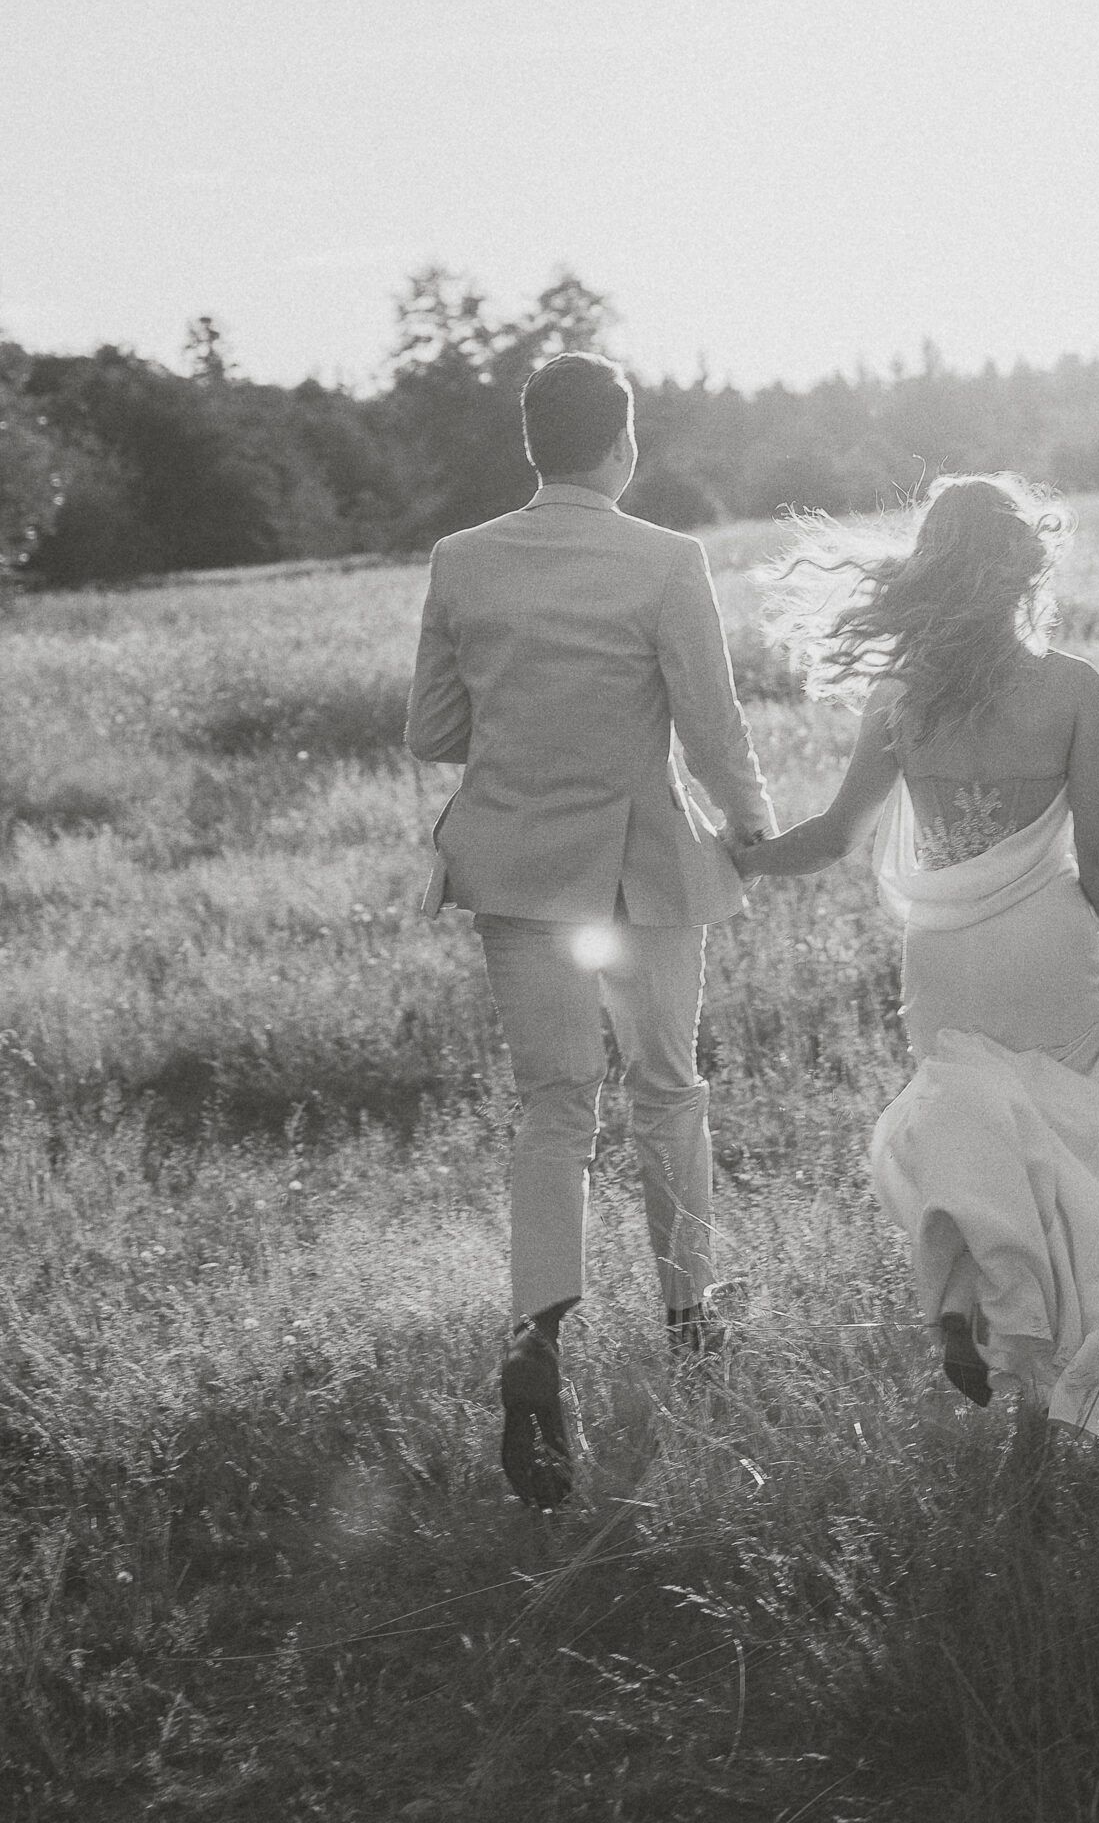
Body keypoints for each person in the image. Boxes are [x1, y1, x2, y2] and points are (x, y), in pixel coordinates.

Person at [736, 474, 1099, 1439]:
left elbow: (832, 836)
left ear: (930, 570)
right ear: (1027, 566)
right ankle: (1093, 1356)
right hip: (1052, 953)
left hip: (943, 958)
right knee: (1089, 1158)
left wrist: (733, 856)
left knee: (979, 1134)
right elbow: (1098, 847)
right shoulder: (1071, 685)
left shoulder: (899, 697)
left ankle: (980, 1303)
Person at [405, 352, 775, 1507]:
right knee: (668, 1086)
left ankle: (534, 1340)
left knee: (554, 1108)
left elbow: (431, 725)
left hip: (516, 872)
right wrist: (752, 822)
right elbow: (711, 728)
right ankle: (690, 1318)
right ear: (624, 444)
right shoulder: (667, 559)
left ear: (533, 446)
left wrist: (524, 733)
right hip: (640, 870)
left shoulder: (462, 560)